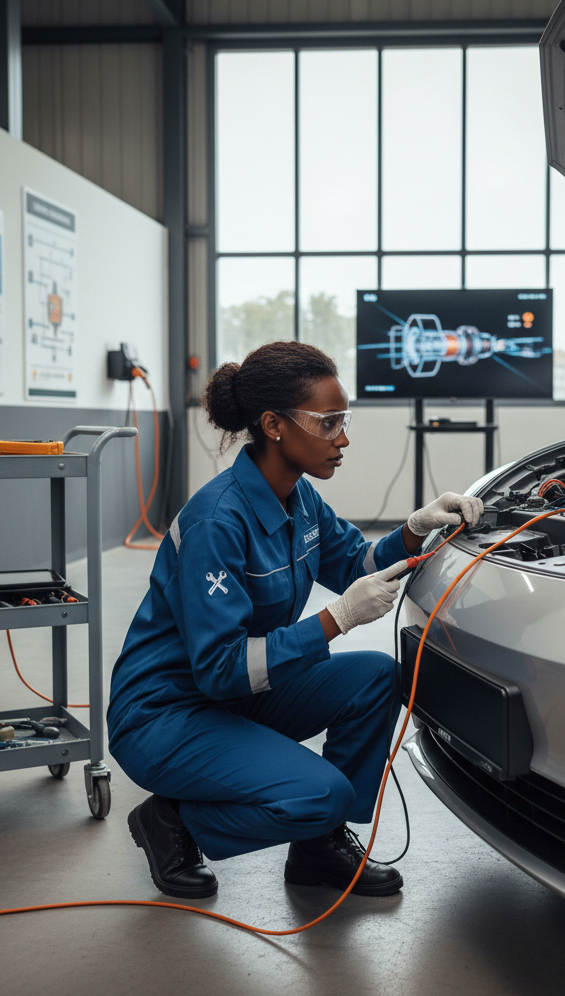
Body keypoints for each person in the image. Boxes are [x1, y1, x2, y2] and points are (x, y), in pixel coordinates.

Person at [108, 340, 483, 899]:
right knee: (319, 794)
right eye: (329, 422)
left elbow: (354, 562)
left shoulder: (299, 498)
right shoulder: (218, 521)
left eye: (344, 420)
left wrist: (416, 527)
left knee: (376, 675)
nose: (344, 438)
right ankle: (173, 823)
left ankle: (318, 850)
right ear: (274, 426)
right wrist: (335, 619)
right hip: (167, 716)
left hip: (231, 699)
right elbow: (219, 670)